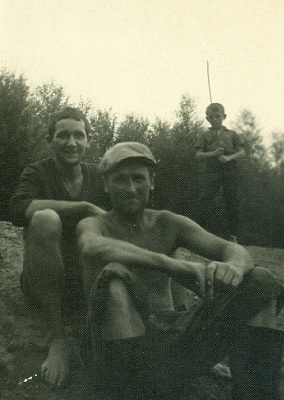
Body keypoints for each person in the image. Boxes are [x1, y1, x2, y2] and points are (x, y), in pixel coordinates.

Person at [77, 141, 284, 400]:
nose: (130, 188)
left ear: (152, 182)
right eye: (120, 180)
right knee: (114, 275)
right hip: (112, 358)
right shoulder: (94, 224)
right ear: (106, 185)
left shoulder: (167, 222)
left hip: (167, 344)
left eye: (138, 179)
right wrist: (170, 264)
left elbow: (233, 250)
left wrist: (233, 267)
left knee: (260, 282)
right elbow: (91, 245)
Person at [9, 107, 107, 387]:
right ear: (50, 139)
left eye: (79, 135)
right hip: (44, 285)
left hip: (86, 283)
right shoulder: (37, 172)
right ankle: (57, 338)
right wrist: (85, 206)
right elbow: (18, 208)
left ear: (88, 140)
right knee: (44, 218)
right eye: (63, 135)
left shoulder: (100, 176)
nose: (71, 143)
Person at [195, 103, 245, 242]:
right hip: (212, 168)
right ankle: (198, 234)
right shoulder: (205, 135)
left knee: (232, 201)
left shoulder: (233, 134)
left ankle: (233, 236)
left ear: (224, 116)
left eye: (218, 116)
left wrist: (229, 157)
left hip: (230, 168)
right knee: (205, 199)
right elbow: (198, 155)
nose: (215, 119)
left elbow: (242, 152)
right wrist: (213, 153)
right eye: (211, 117)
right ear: (207, 119)